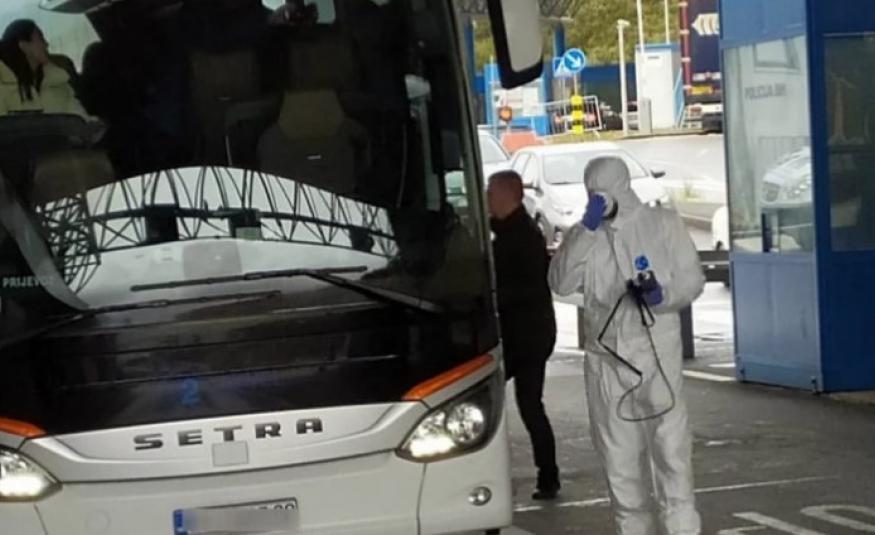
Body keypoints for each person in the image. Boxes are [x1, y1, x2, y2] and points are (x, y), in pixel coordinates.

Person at [549, 156, 704, 534]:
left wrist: (661, 297)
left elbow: (692, 280)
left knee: (671, 453)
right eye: (592, 193)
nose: (599, 200)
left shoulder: (661, 224)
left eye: (603, 192)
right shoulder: (585, 237)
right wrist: (584, 231)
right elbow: (560, 283)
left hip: (655, 355)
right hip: (606, 361)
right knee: (618, 462)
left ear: (622, 187)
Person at [487, 170, 560, 500]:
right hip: (529, 333)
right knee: (529, 404)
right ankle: (548, 475)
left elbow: (521, 289)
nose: (486, 198)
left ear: (507, 195)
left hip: (526, 336)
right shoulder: (512, 229)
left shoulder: (522, 237)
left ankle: (546, 474)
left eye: (491, 192)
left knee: (519, 403)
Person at [0, 20, 89, 118]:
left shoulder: (58, 82)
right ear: (23, 45)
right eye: (41, 38)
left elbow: (82, 119)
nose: (46, 44)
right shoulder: (3, 88)